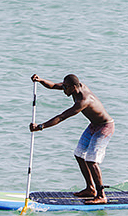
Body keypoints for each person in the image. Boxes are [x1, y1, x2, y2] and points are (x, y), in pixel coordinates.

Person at [29, 73, 115, 204]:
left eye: (66, 88)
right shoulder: (73, 87)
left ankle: (101, 195)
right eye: (63, 86)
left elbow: (62, 117)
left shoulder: (84, 101)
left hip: (104, 127)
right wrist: (40, 80)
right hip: (93, 125)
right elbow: (52, 86)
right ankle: (90, 189)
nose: (64, 90)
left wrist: (41, 126)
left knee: (92, 161)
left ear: (74, 87)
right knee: (79, 155)